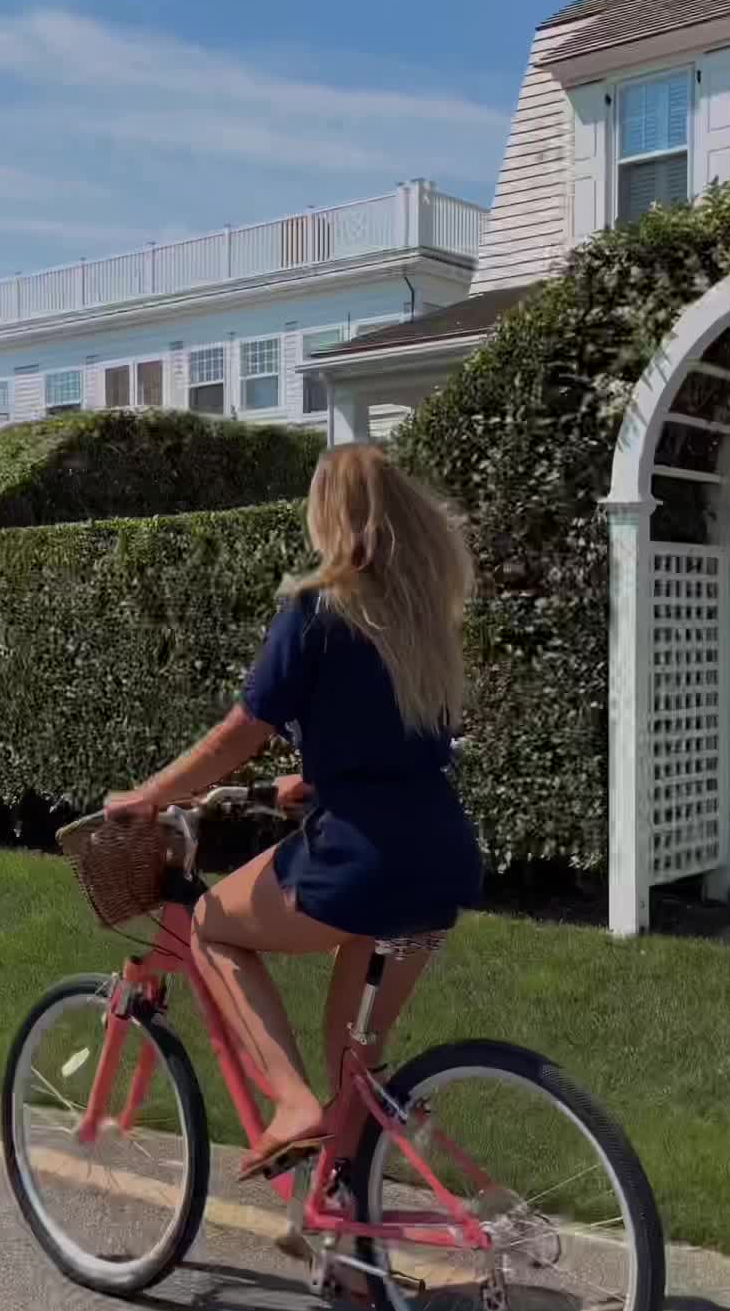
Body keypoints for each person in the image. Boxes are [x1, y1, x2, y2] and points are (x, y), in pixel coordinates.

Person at [105, 442, 482, 1184]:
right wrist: (313, 776)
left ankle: (289, 1105)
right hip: (439, 858)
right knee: (354, 1058)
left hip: (360, 860)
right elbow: (388, 737)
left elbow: (242, 731)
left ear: (328, 516)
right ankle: (342, 1224)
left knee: (211, 925)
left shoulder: (317, 610)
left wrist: (152, 796)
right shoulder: (421, 619)